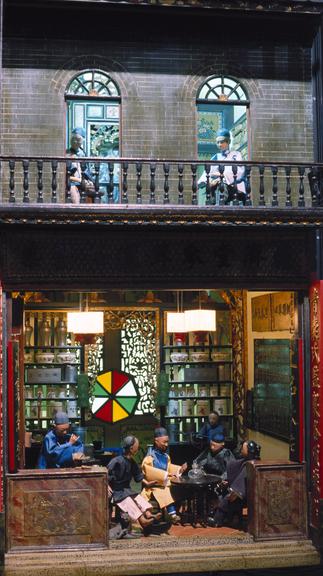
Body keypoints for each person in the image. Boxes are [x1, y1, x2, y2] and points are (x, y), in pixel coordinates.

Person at [107, 435, 160, 534]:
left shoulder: (132, 462)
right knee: (129, 501)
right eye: (137, 446)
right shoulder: (117, 461)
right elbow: (106, 474)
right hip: (117, 492)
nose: (138, 448)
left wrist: (147, 483)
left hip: (126, 490)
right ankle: (142, 521)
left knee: (137, 498)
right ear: (132, 448)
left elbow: (138, 476)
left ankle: (148, 514)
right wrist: (107, 486)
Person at [207, 439, 261, 527]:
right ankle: (227, 516)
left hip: (245, 495)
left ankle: (217, 520)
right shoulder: (247, 462)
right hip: (244, 491)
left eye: (243, 449)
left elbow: (241, 484)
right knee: (223, 490)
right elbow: (235, 470)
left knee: (228, 498)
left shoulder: (250, 465)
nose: (241, 450)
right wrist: (228, 481)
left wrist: (234, 492)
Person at [141, 427, 188, 524]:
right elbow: (147, 471)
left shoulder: (166, 456)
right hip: (154, 485)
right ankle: (173, 514)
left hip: (165, 482)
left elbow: (169, 467)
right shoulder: (150, 457)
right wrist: (165, 474)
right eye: (164, 442)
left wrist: (179, 469)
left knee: (180, 489)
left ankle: (179, 512)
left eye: (167, 442)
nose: (166, 445)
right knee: (165, 491)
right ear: (156, 441)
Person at [198, 128, 246, 205]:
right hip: (217, 185)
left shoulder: (236, 154)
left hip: (234, 185)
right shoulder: (216, 157)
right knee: (214, 187)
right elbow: (208, 172)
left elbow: (240, 171)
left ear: (228, 142)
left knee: (221, 185)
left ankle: (220, 205)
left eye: (222, 142)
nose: (220, 144)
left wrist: (222, 176)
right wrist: (209, 180)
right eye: (218, 142)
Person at [66, 130, 94, 203]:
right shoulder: (67, 154)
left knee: (94, 190)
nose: (75, 142)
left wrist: (89, 181)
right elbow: (66, 175)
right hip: (71, 182)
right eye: (73, 139)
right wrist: (79, 180)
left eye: (78, 140)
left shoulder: (82, 153)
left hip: (82, 181)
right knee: (75, 199)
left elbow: (87, 171)